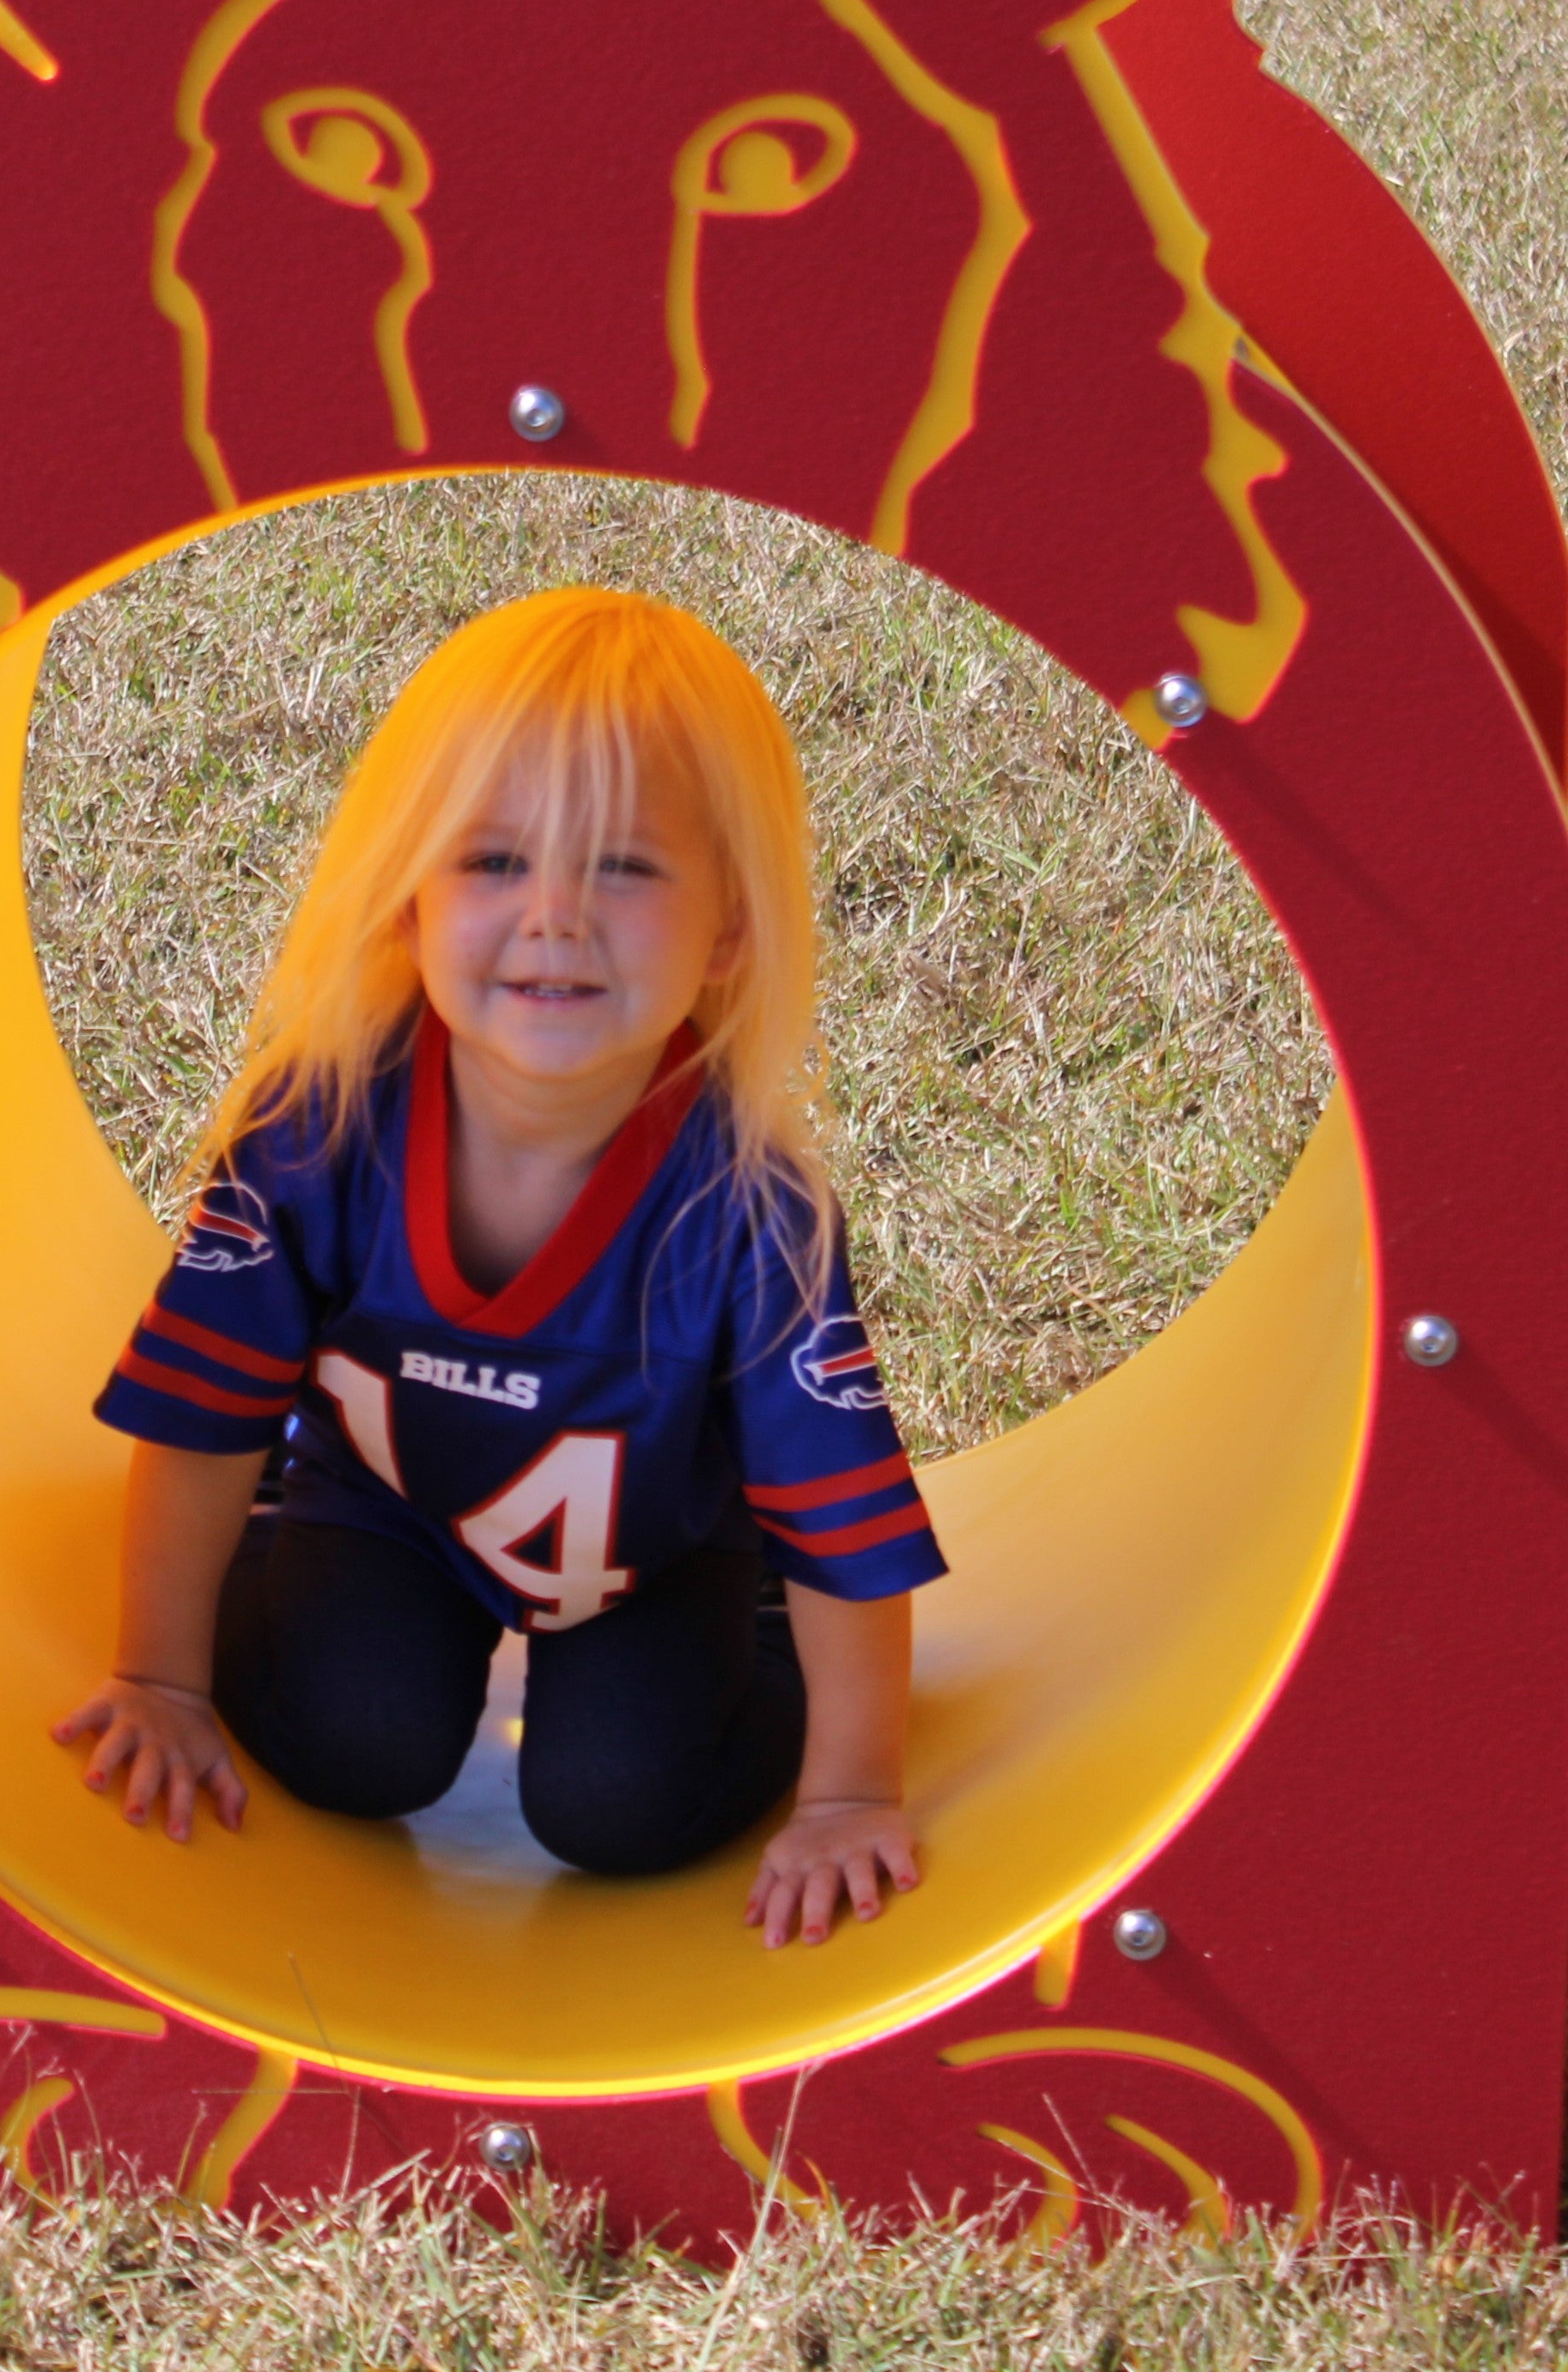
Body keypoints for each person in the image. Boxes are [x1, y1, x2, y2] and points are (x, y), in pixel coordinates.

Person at [50, 587, 940, 1948]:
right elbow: (199, 1415)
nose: (555, 918)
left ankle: (734, 1641)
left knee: (622, 1808)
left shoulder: (747, 1211)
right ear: (405, 901)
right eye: (493, 862)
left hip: (654, 1552)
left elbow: (842, 1527)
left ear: (729, 932)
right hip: (385, 1506)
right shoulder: (319, 1132)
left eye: (627, 869)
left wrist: (848, 1794)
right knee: (352, 1747)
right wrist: (159, 1678)